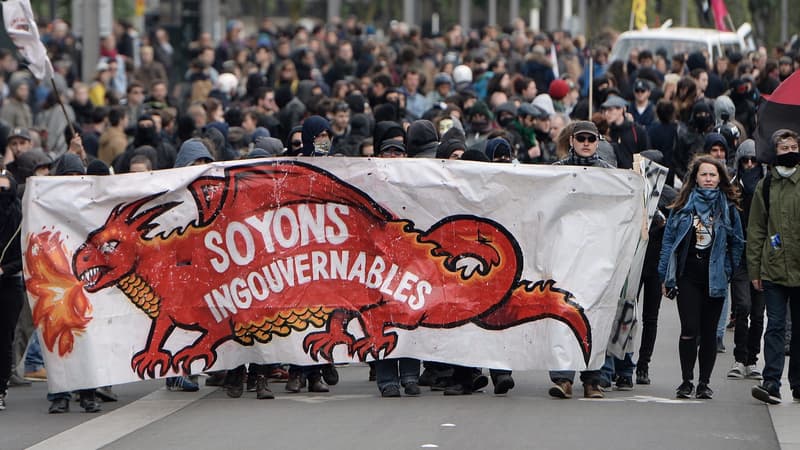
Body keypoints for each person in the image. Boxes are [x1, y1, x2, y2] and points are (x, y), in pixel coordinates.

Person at [658, 155, 744, 400]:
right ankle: (686, 380)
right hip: (688, 276)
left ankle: (704, 383)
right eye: (704, 174)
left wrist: (728, 269)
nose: (708, 179)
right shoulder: (683, 205)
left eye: (712, 175)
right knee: (689, 329)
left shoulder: (727, 208)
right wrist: (664, 275)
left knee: (709, 333)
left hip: (714, 276)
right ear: (695, 177)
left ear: (720, 179)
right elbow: (669, 241)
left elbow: (737, 242)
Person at [549, 121, 614, 400]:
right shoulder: (556, 172)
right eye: (581, 138)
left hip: (597, 254)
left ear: (598, 141)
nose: (586, 143)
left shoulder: (610, 175)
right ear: (572, 140)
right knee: (563, 312)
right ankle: (563, 378)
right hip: (564, 252)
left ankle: (592, 380)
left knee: (595, 314)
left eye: (591, 138)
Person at [749, 129, 800, 405]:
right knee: (776, 326)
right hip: (774, 267)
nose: (790, 151)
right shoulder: (765, 186)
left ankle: (798, 382)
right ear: (775, 153)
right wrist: (754, 268)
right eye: (784, 148)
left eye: (794, 146)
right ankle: (771, 382)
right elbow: (756, 228)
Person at [726, 139, 765, 381]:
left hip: (762, 258)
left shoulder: (768, 187)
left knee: (759, 313)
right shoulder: (732, 189)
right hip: (740, 256)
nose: (750, 165)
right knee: (743, 308)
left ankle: (752, 359)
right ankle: (740, 358)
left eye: (754, 160)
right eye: (745, 161)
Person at [0, 170, 24, 411]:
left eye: (4, 190)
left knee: (4, 339)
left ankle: (1, 388)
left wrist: (3, 270)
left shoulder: (19, 218)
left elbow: (22, 257)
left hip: (9, 284)